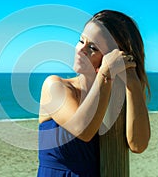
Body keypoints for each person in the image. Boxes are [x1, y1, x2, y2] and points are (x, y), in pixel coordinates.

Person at [37, 10, 151, 176]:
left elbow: (138, 145)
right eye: (80, 40)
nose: (80, 50)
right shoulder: (55, 86)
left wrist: (132, 81)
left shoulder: (118, 100)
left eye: (92, 47)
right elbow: (82, 129)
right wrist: (105, 74)